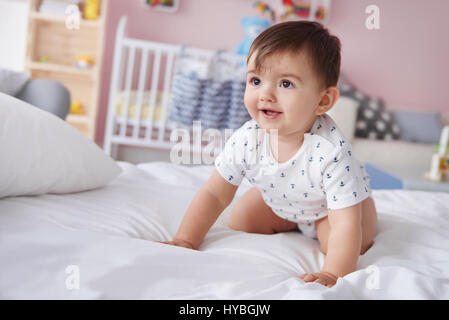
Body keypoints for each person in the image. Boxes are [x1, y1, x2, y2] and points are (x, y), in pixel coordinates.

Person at [160, 21, 378, 288]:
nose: (265, 94)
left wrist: (332, 275)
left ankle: (343, 228)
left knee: (343, 242)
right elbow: (214, 194)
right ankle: (291, 221)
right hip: (284, 201)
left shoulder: (331, 151)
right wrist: (185, 239)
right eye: (255, 80)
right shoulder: (248, 138)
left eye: (285, 83)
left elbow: (345, 224)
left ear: (323, 101)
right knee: (242, 219)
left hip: (329, 210)